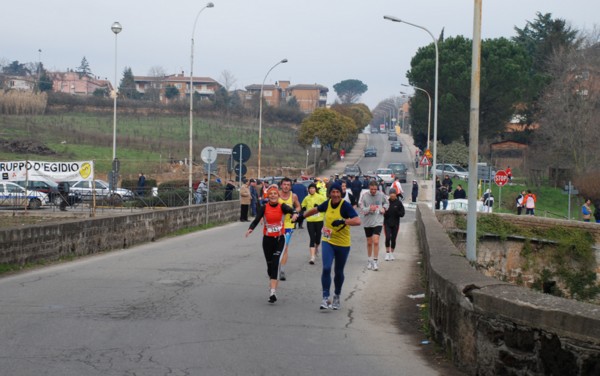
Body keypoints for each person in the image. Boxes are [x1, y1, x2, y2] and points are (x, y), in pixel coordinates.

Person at [301, 182, 361, 310]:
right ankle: (325, 297)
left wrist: (343, 221)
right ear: (330, 193)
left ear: (341, 193)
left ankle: (337, 295)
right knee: (326, 267)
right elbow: (315, 210)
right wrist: (301, 216)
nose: (335, 194)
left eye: (337, 192)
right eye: (333, 192)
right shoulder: (327, 203)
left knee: (338, 271)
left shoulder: (345, 206)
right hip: (328, 240)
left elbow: (357, 221)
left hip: (343, 243)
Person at [245, 184, 298, 303]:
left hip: (280, 239)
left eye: (275, 193)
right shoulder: (264, 208)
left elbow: (292, 209)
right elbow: (257, 219)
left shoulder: (282, 206)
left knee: (275, 264)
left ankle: (272, 293)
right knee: (270, 267)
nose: (273, 195)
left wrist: (294, 214)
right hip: (267, 240)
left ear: (278, 195)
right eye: (271, 194)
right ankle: (272, 282)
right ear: (268, 196)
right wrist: (250, 229)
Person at [359, 180, 389, 271]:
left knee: (376, 241)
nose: (373, 191)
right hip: (368, 221)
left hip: (378, 220)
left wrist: (384, 208)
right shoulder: (364, 196)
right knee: (369, 242)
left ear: (377, 188)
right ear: (369, 188)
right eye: (372, 189)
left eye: (375, 189)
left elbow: (387, 203)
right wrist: (369, 208)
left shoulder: (381, 195)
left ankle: (375, 262)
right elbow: (361, 208)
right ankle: (369, 261)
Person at [278, 177, 301, 281]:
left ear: (290, 186)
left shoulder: (293, 196)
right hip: (276, 224)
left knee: (285, 246)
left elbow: (298, 207)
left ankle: (282, 270)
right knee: (274, 246)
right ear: (281, 185)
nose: (286, 186)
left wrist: (295, 213)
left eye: (288, 185)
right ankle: (274, 265)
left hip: (288, 224)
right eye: (284, 184)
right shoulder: (276, 194)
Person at [301, 183, 327, 264]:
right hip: (310, 220)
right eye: (310, 188)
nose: (311, 190)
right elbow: (303, 205)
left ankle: (316, 247)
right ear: (308, 190)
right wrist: (303, 208)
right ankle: (312, 257)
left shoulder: (321, 197)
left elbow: (326, 206)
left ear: (316, 189)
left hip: (319, 220)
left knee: (318, 238)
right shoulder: (307, 198)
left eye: (313, 188)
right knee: (312, 238)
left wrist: (319, 207)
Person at [383, 188, 405, 261]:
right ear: (389, 195)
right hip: (387, 223)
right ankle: (387, 253)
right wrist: (384, 213)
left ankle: (392, 253)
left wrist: (397, 212)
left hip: (395, 224)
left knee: (393, 239)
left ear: (396, 195)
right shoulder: (387, 202)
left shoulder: (398, 203)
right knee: (387, 238)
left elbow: (402, 214)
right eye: (391, 196)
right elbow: (382, 211)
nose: (392, 197)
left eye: (394, 196)